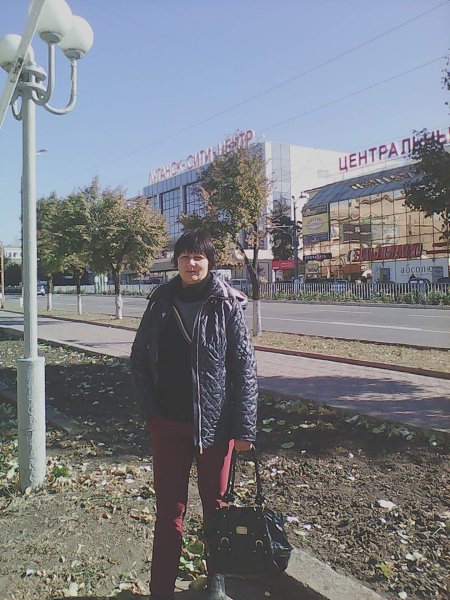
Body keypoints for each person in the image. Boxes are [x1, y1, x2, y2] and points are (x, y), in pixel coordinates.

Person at [130, 230, 258, 600]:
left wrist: (245, 428)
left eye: (198, 257)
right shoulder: (160, 301)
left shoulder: (226, 303)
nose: (191, 263)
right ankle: (161, 590)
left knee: (217, 509)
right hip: (167, 426)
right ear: (176, 262)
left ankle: (216, 585)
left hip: (214, 429)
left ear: (210, 262)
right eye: (185, 256)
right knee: (169, 512)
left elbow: (245, 369)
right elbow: (138, 360)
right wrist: (151, 413)